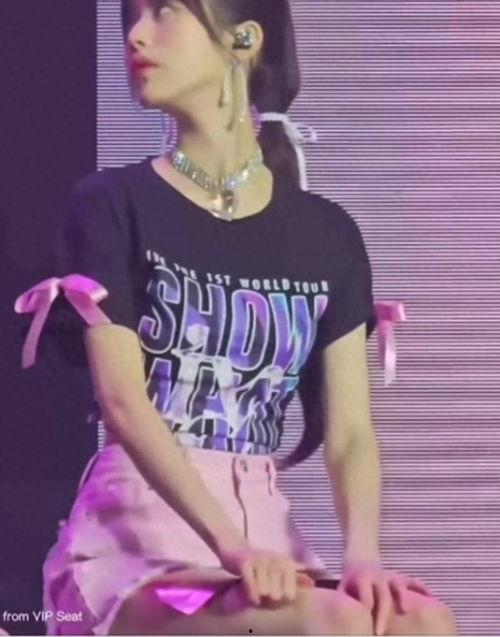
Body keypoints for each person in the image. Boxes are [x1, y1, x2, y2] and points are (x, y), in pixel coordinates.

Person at [14, 0, 459, 635]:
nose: (137, 35)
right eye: (131, 16)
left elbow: (351, 433)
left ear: (243, 40)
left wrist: (362, 556)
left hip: (267, 535)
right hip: (137, 539)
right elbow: (123, 404)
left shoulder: (327, 235)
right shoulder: (112, 204)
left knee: (423, 622)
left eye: (164, 11)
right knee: (331, 624)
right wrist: (232, 547)